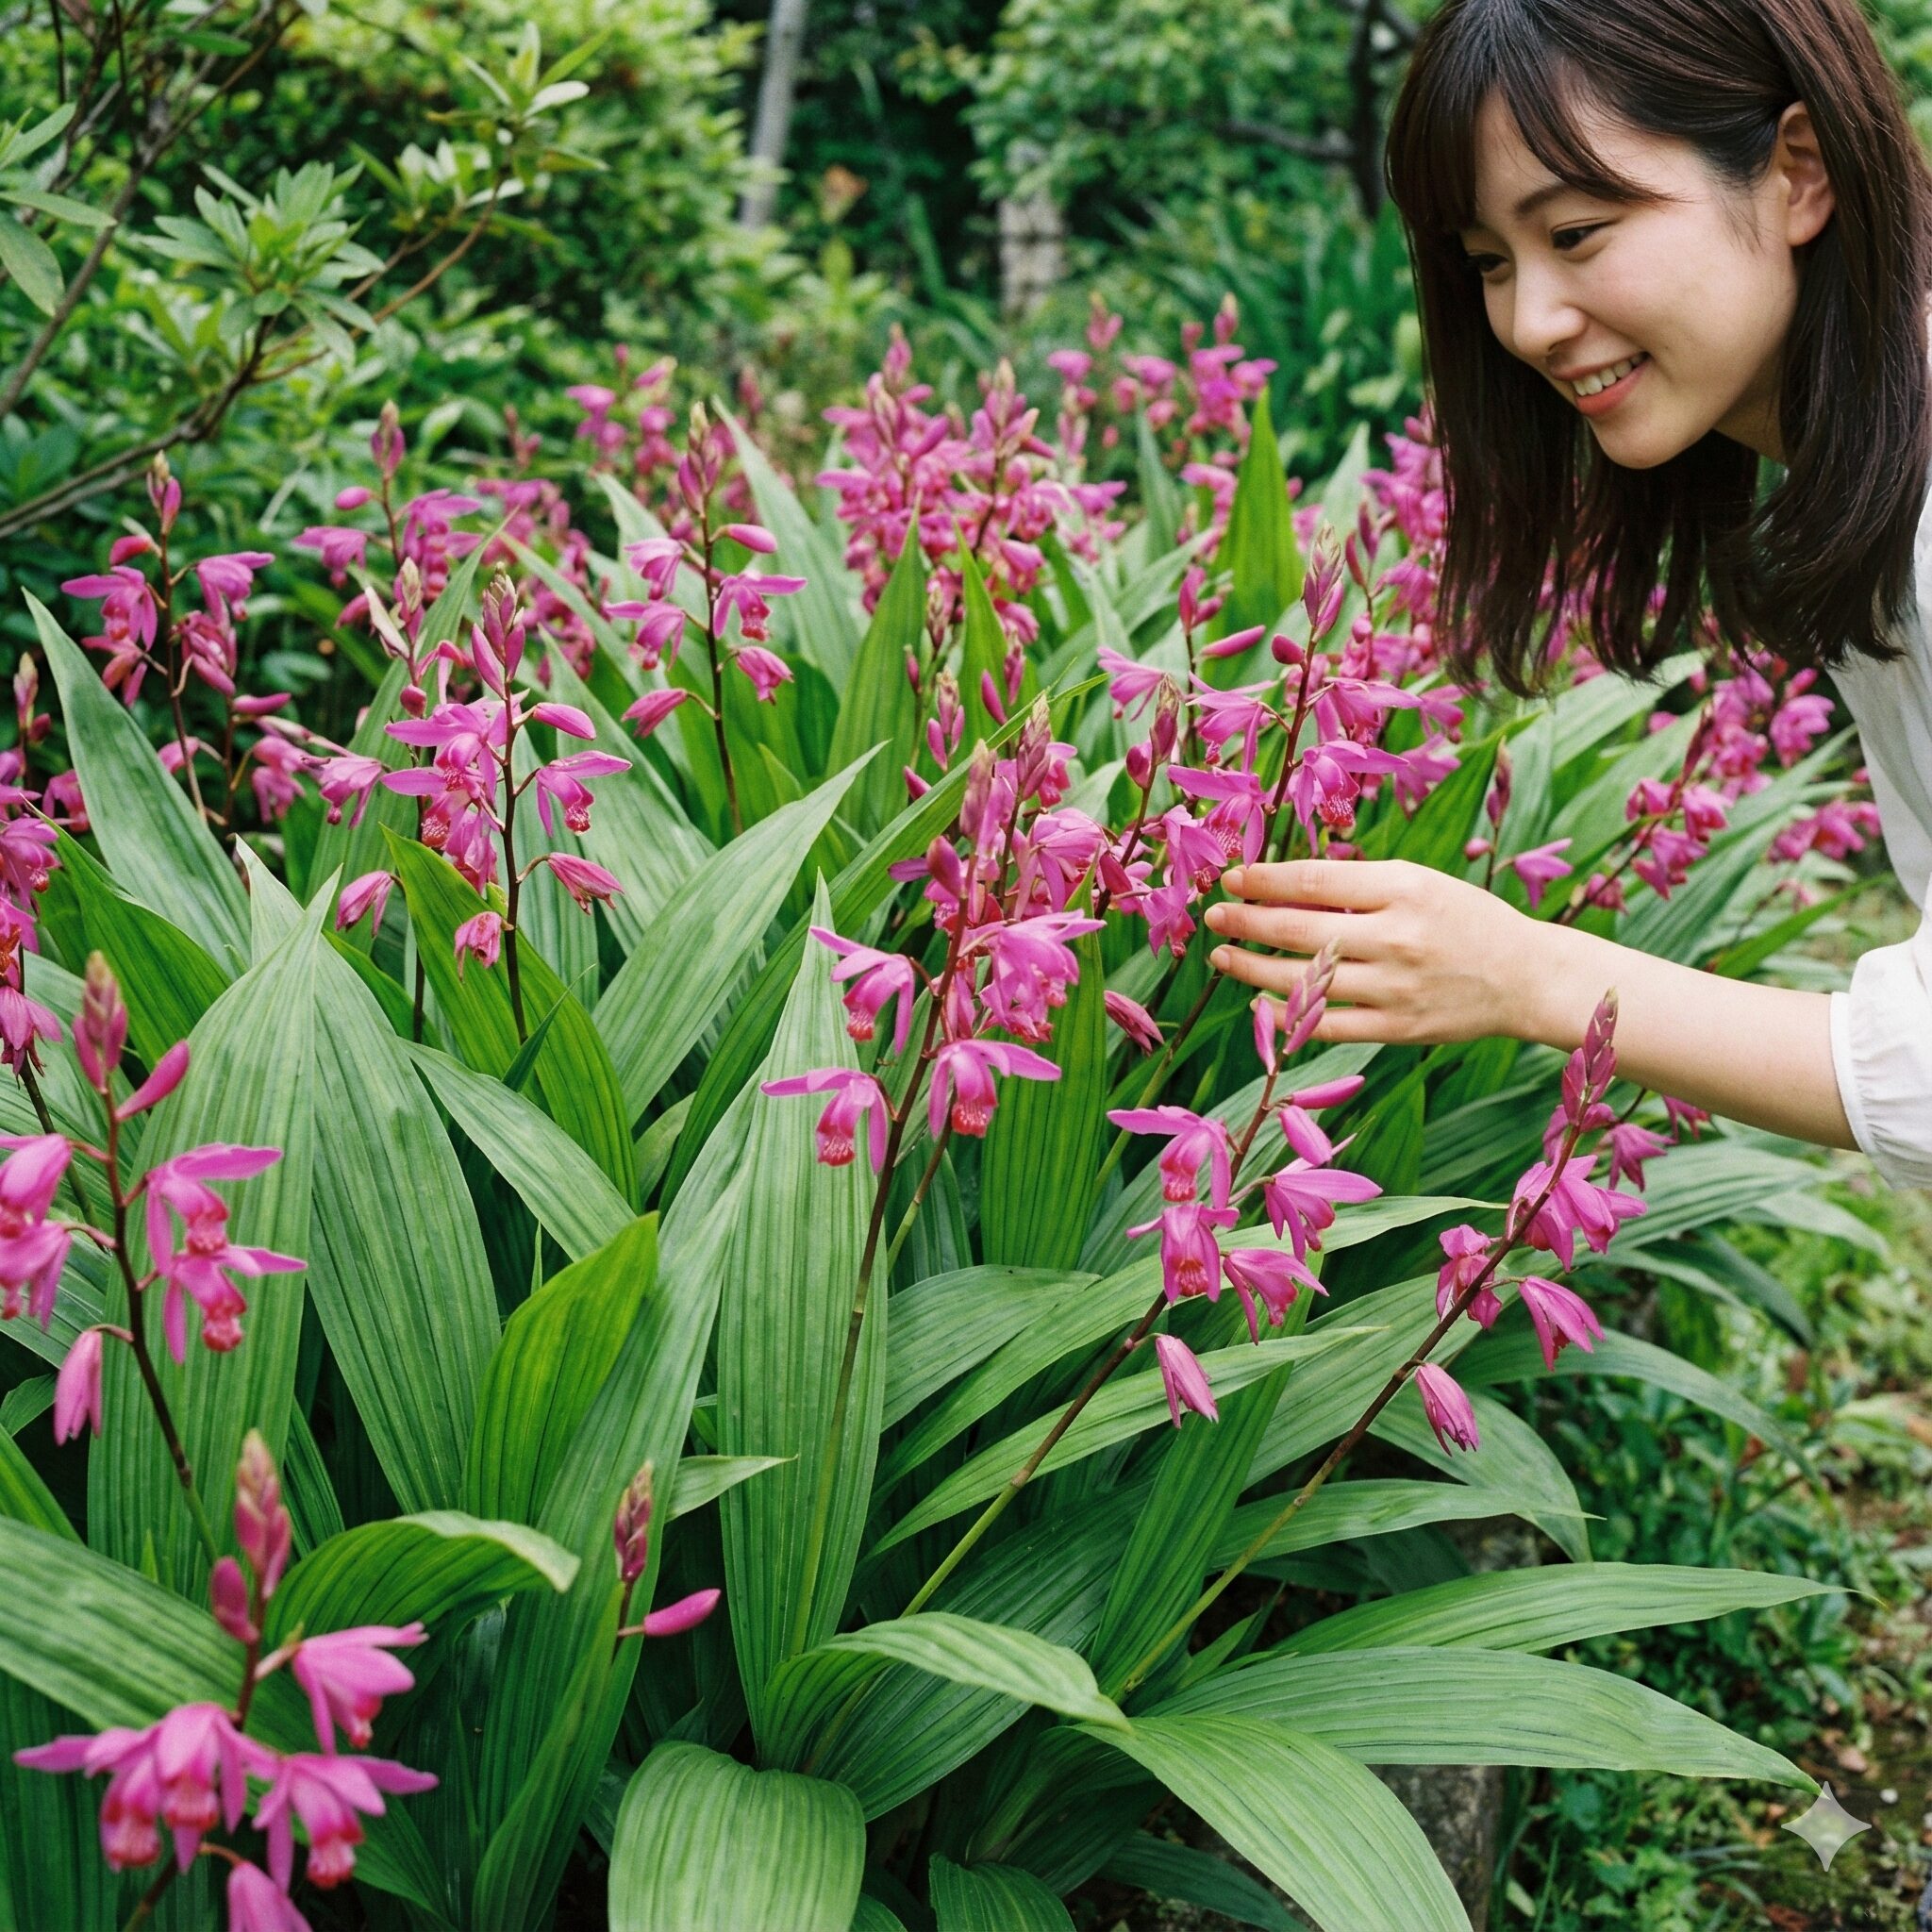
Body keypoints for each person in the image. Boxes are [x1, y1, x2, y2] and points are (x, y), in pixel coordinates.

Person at [1205, 0, 1932, 1191]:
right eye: (1488, 262)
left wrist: (1525, 974)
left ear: (1796, 173)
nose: (1526, 322)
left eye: (1580, 230)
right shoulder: (1861, 477)